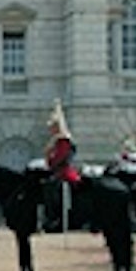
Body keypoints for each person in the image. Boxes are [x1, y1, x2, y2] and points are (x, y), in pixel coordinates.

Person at [40, 98, 78, 230]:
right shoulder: (57, 141)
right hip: (58, 170)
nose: (50, 130)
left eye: (52, 127)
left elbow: (59, 159)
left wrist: (48, 157)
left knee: (51, 186)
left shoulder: (63, 140)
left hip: (64, 172)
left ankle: (55, 216)